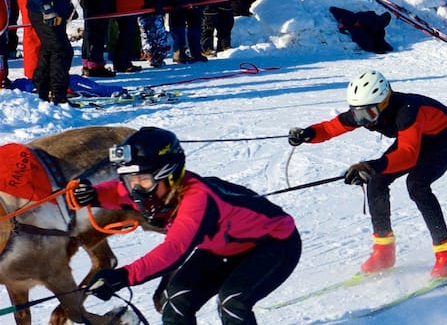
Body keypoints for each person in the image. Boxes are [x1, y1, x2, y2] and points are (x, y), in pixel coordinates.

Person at [73, 127, 301, 324]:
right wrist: (93, 194)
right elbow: (117, 191)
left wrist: (123, 276)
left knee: (233, 301)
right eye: (130, 180)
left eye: (142, 180)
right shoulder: (151, 187)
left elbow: (174, 251)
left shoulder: (197, 198)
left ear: (169, 174)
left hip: (274, 245)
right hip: (223, 248)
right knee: (177, 298)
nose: (136, 190)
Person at [288, 70, 447, 276]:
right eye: (357, 114)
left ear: (384, 102)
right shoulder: (364, 111)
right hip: (416, 138)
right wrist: (308, 134)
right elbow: (329, 129)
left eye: (369, 114)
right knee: (377, 181)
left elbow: (408, 155)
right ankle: (384, 252)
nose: (364, 121)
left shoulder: (407, 111)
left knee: (417, 185)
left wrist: (370, 166)